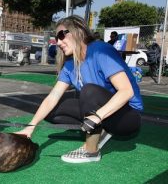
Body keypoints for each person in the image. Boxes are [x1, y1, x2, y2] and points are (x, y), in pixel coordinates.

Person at [16, 15, 143, 163]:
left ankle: (91, 151)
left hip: (127, 117)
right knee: (50, 110)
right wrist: (31, 126)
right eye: (56, 38)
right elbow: (52, 97)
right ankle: (101, 130)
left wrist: (97, 117)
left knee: (89, 92)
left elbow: (127, 91)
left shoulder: (100, 50)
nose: (58, 42)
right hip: (104, 115)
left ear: (78, 31)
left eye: (61, 35)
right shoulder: (70, 65)